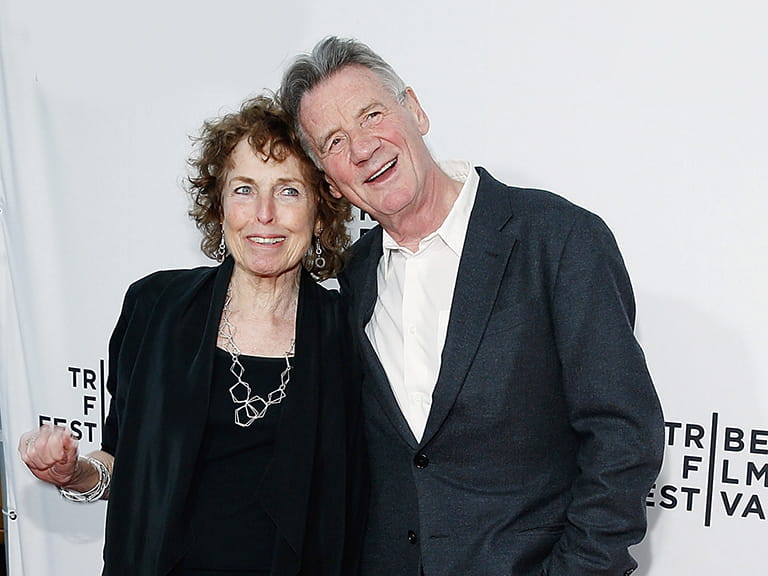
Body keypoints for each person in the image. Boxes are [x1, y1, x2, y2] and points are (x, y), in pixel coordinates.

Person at [279, 37, 665, 576]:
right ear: (330, 181)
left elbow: (625, 438)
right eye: (336, 141)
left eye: (373, 114)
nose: (363, 148)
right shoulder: (352, 280)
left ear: (415, 109)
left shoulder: (556, 240)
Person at [18, 94, 366, 576]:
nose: (264, 214)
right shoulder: (154, 309)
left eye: (288, 191)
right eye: (244, 189)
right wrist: (74, 473)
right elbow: (120, 461)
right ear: (219, 204)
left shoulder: (351, 332)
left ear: (321, 209)